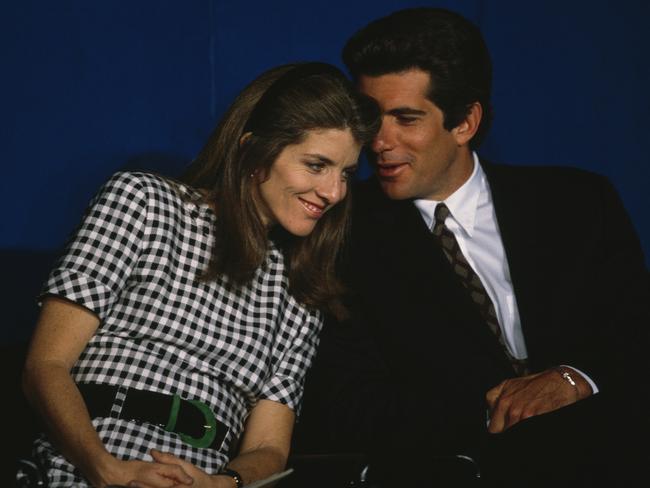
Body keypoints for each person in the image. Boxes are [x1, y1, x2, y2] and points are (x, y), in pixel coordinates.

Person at [296, 8, 650, 487]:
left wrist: (574, 379)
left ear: (465, 122)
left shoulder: (580, 202)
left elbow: (635, 333)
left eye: (406, 118)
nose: (379, 142)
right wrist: (494, 412)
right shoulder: (338, 232)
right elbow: (344, 401)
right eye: (369, 118)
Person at [18, 62, 380, 487]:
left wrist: (220, 484)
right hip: (88, 458)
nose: (335, 192)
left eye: (346, 172)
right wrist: (105, 469)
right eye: (317, 165)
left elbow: (268, 448)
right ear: (253, 152)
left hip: (202, 475)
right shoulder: (144, 203)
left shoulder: (300, 290)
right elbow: (46, 365)